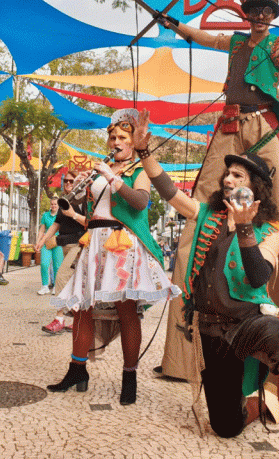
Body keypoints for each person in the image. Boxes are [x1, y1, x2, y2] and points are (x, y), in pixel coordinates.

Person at [156, 0, 279, 399]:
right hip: (228, 127)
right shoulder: (235, 41)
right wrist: (175, 25)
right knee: (198, 213)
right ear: (247, 13)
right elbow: (200, 37)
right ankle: (184, 360)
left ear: (272, 15)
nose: (259, 16)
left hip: (264, 127)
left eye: (265, 11)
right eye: (254, 10)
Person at [132, 111, 279, 456]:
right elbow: (169, 190)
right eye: (227, 173)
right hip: (212, 331)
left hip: (249, 321)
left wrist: (245, 228)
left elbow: (259, 276)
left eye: (237, 174)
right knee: (225, 427)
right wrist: (145, 153)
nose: (227, 178)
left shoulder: (270, 230)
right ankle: (262, 405)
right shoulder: (204, 214)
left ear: (254, 186)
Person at [48, 109, 181, 405]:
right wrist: (83, 187)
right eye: (112, 137)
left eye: (122, 137)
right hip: (94, 240)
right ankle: (77, 370)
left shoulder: (140, 169)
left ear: (134, 141)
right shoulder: (103, 167)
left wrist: (113, 178)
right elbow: (87, 205)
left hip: (122, 242)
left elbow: (140, 203)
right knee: (82, 307)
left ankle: (129, 377)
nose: (116, 141)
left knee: (126, 309)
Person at [37, 169, 87, 334]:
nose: (68, 184)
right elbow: (56, 225)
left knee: (60, 277)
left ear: (79, 183)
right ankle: (78, 320)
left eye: (72, 181)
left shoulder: (85, 200)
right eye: (66, 181)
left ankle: (59, 318)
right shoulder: (64, 200)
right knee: (74, 284)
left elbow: (90, 223)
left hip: (79, 246)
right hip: (64, 245)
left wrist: (73, 214)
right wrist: (42, 241)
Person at [35, 197, 64, 295]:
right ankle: (44, 286)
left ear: (58, 205)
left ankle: (56, 286)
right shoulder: (45, 215)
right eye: (52, 204)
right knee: (44, 263)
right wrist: (38, 242)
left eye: (55, 204)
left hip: (58, 242)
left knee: (57, 265)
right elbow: (42, 230)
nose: (53, 206)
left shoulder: (61, 215)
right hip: (46, 242)